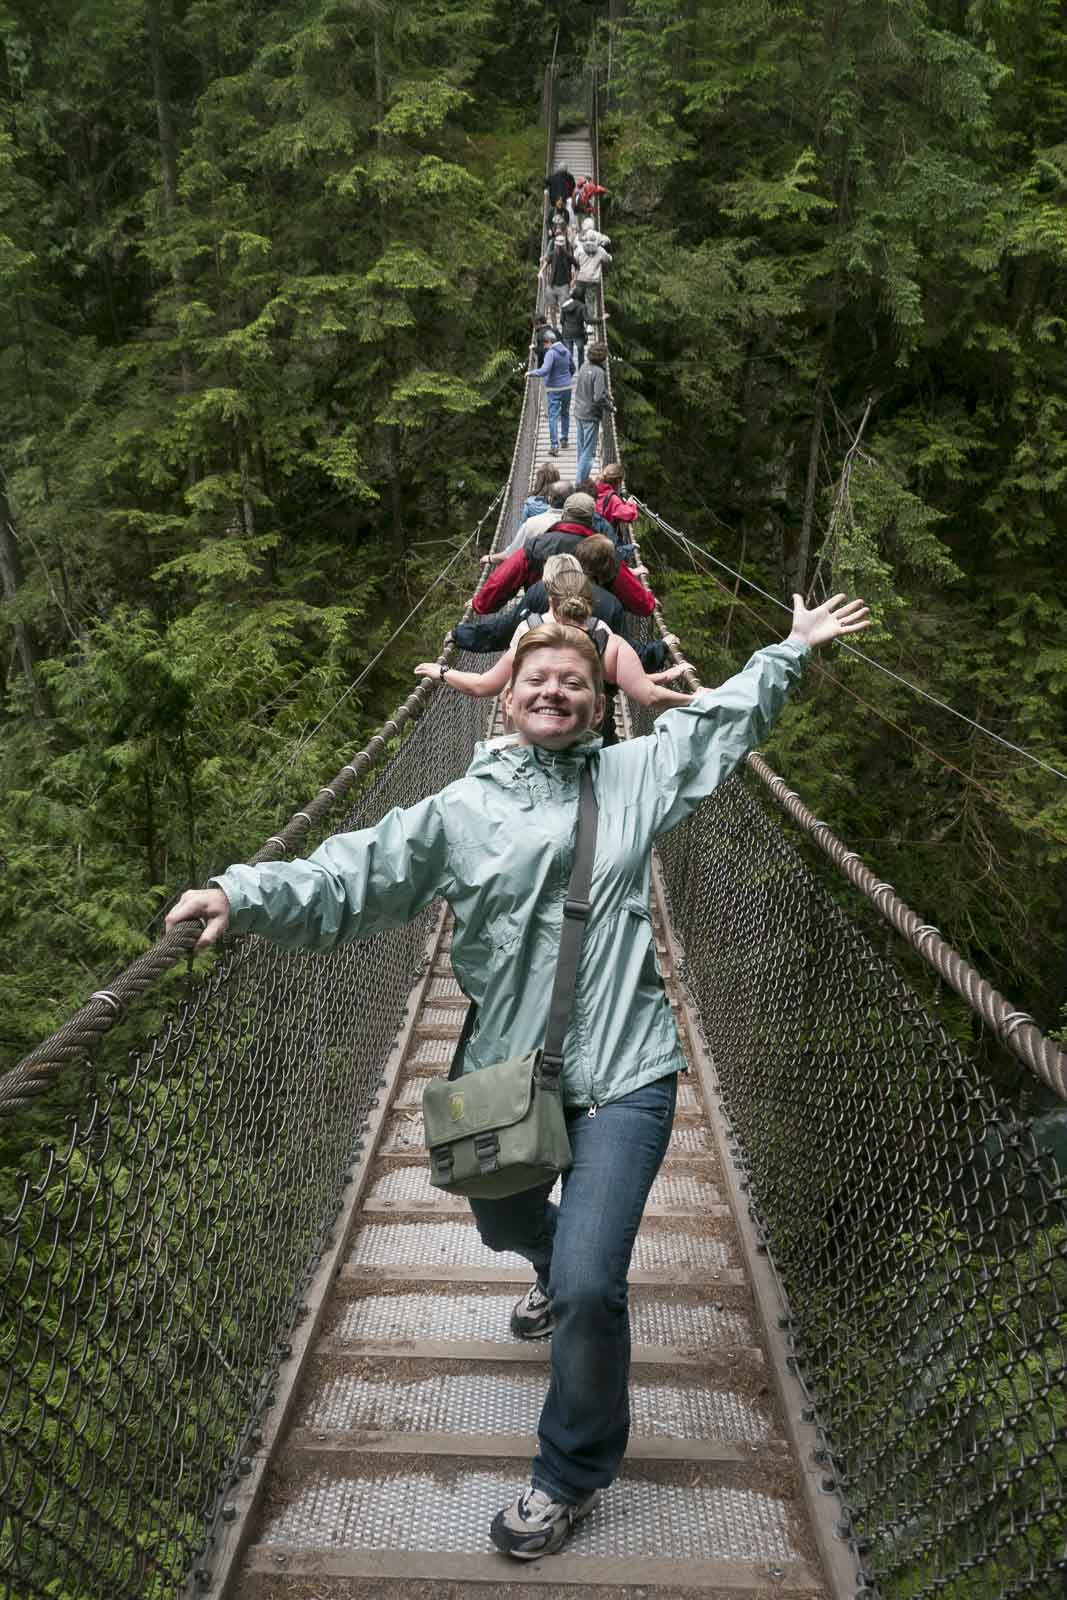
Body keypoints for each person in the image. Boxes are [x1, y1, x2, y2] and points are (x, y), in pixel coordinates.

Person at [165, 592, 872, 1562]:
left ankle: (568, 1471)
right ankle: (540, 1262)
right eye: (536, 676)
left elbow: (717, 723)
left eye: (573, 680)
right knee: (502, 1222)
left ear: (595, 703)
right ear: (504, 700)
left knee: (592, 1285)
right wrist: (240, 895)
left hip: (628, 1068)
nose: (553, 687)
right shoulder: (459, 811)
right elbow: (354, 875)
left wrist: (788, 648)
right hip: (505, 1068)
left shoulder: (633, 776)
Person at [416, 557, 695, 717]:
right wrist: (693, 697)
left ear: (548, 597)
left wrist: (442, 672)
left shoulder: (530, 631)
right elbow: (645, 693)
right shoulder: (603, 637)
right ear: (589, 598)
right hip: (586, 738)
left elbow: (482, 685)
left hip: (534, 740)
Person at [473, 491, 654, 618]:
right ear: (592, 519)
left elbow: (501, 581)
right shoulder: (604, 552)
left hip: (539, 622)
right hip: (590, 631)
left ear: (564, 515)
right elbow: (640, 603)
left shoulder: (536, 546)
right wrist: (649, 603)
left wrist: (481, 604)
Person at [526, 330, 574, 458]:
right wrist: (566, 379)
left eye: (545, 344)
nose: (544, 346)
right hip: (567, 387)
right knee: (565, 413)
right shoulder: (567, 350)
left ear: (549, 342)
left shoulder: (550, 353)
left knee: (552, 416)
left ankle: (554, 446)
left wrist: (531, 373)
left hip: (554, 388)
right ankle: (564, 439)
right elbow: (573, 368)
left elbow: (544, 370)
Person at [574, 344, 611, 486]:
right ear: (602, 357)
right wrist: (610, 407)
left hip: (578, 412)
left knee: (581, 447)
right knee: (589, 452)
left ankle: (582, 477)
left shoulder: (584, 366)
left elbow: (596, 390)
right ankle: (579, 483)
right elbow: (598, 397)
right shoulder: (599, 372)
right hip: (590, 415)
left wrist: (607, 395)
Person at [594, 463, 639, 543]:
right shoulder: (613, 499)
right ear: (618, 481)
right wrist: (630, 503)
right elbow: (630, 514)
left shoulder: (594, 488)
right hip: (604, 540)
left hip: (592, 533)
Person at [540, 233, 575, 329]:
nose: (559, 247)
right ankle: (555, 327)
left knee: (564, 308)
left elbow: (577, 266)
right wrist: (540, 272)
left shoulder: (568, 255)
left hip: (564, 285)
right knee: (551, 308)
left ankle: (564, 326)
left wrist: (574, 280)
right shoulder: (552, 254)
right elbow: (546, 263)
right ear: (556, 245)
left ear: (563, 245)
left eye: (560, 245)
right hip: (552, 285)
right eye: (558, 245)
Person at [559, 292, 587, 372]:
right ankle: (581, 369)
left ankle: (569, 370)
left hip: (567, 332)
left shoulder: (565, 305)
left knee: (568, 352)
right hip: (578, 332)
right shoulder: (582, 306)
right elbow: (587, 320)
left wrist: (566, 327)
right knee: (580, 350)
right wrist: (601, 319)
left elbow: (561, 321)